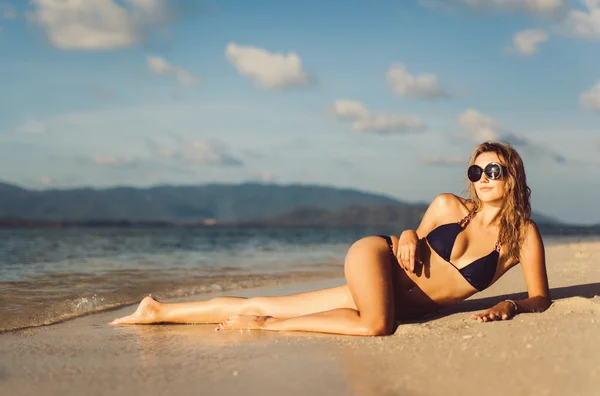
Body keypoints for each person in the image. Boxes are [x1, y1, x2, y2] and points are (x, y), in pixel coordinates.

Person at [110, 141, 551, 336]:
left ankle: (158, 311)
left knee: (264, 300)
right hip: (373, 259)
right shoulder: (448, 206)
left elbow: (540, 297)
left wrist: (508, 304)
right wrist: (405, 233)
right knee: (377, 326)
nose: (483, 178)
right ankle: (267, 329)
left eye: (494, 170)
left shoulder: (521, 237)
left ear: (512, 176)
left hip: (380, 293)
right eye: (477, 171)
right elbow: (408, 240)